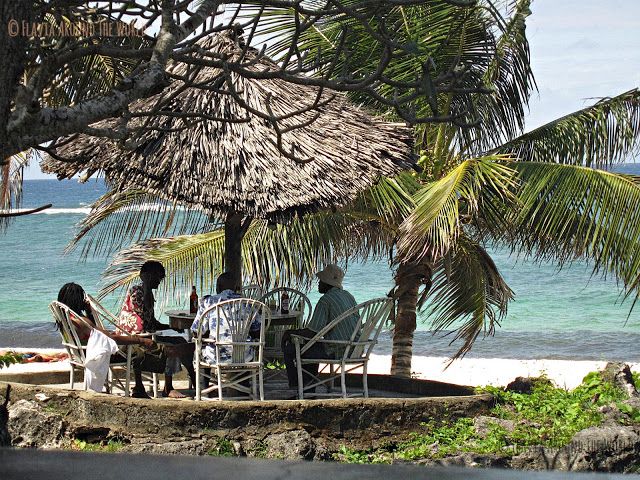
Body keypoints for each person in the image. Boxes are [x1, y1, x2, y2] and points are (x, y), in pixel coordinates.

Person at [57, 282, 181, 397]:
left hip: (83, 355)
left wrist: (90, 312)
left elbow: (96, 334)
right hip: (98, 356)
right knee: (142, 351)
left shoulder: (67, 319)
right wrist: (141, 340)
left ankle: (141, 387)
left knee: (137, 348)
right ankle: (145, 387)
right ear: (77, 300)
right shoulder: (82, 321)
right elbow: (110, 338)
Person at [117, 261, 195, 398]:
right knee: (174, 345)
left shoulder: (146, 293)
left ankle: (189, 379)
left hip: (146, 333)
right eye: (159, 277)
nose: (159, 281)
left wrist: (169, 327)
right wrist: (146, 285)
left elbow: (150, 320)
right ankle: (170, 386)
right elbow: (143, 309)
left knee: (179, 340)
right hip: (134, 338)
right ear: (149, 276)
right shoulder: (137, 291)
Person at [282, 264, 358, 388]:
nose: (318, 283)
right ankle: (308, 387)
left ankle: (296, 386)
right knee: (310, 347)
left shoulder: (325, 300)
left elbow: (312, 332)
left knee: (290, 349)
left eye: (321, 280)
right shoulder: (348, 296)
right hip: (354, 348)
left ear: (327, 283)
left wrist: (289, 333)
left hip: (338, 350)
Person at [191, 272, 261, 393]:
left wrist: (207, 337)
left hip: (216, 356)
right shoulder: (249, 303)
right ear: (236, 288)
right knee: (244, 346)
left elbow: (196, 332)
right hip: (245, 356)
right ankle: (245, 387)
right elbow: (257, 330)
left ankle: (204, 390)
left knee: (200, 347)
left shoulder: (208, 302)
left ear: (218, 287)